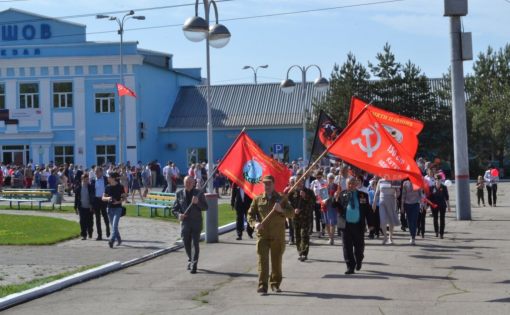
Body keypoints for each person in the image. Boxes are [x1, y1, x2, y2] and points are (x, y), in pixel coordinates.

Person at [248, 175, 293, 295]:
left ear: (273, 184)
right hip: (262, 235)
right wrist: (255, 223)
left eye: (269, 183)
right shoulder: (258, 199)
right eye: (265, 184)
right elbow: (250, 215)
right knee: (262, 261)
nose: (266, 186)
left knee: (276, 262)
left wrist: (281, 210)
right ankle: (262, 285)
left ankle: (275, 284)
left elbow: (292, 213)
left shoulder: (282, 199)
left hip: (277, 236)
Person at [334, 177, 372, 274]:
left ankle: (359, 260)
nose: (351, 185)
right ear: (346, 184)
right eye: (349, 183)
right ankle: (350, 266)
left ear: (356, 184)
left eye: (353, 183)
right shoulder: (342, 194)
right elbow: (336, 207)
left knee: (359, 247)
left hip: (358, 225)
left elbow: (368, 211)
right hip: (345, 225)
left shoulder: (363, 195)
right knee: (347, 247)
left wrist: (371, 224)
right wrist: (335, 199)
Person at [172, 176, 208, 274]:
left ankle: (194, 264)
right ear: (184, 183)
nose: (188, 184)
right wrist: (179, 215)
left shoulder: (198, 193)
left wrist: (198, 203)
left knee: (195, 244)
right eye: (186, 182)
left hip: (196, 222)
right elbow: (174, 209)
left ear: (194, 183)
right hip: (185, 223)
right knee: (186, 242)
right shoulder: (179, 194)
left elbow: (205, 207)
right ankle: (190, 259)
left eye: (190, 182)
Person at [287, 173, 315, 262]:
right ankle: (300, 251)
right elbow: (287, 204)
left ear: (303, 182)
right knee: (297, 235)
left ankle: (304, 253)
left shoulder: (309, 192)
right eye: (297, 181)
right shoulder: (291, 193)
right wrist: (293, 210)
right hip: (295, 218)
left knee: (304, 235)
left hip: (305, 218)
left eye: (301, 181)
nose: (299, 183)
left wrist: (305, 196)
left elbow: (313, 203)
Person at [102, 172, 126, 248]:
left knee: (114, 225)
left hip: (118, 208)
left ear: (113, 178)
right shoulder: (107, 187)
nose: (107, 178)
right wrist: (108, 198)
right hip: (109, 209)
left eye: (108, 177)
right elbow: (103, 198)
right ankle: (119, 239)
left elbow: (124, 198)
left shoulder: (120, 187)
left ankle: (111, 240)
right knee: (113, 226)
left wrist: (118, 202)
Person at [401, 179, 422, 245]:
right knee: (409, 221)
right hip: (407, 204)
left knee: (414, 220)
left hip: (416, 204)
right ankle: (411, 235)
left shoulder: (417, 182)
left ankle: (413, 237)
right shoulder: (405, 183)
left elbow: (420, 194)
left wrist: (421, 205)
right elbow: (403, 195)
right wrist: (402, 206)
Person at [428, 174, 451, 239]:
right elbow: (430, 198)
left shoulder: (444, 187)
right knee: (435, 219)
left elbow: (447, 197)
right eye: (436, 179)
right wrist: (429, 206)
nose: (438, 181)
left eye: (439, 179)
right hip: (434, 206)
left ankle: (441, 233)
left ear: (441, 180)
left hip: (442, 205)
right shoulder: (432, 188)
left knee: (442, 219)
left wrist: (448, 206)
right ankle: (436, 232)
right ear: (434, 180)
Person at [91, 167, 110, 240]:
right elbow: (92, 192)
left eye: (97, 172)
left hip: (104, 199)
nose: (96, 173)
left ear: (101, 172)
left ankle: (107, 228)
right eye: (95, 172)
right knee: (97, 218)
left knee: (105, 215)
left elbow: (109, 188)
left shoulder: (106, 179)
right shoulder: (93, 180)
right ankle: (99, 235)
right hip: (96, 200)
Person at [74, 173, 94, 240]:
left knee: (90, 222)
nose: (86, 181)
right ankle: (84, 235)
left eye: (87, 180)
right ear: (82, 179)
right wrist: (75, 207)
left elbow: (92, 197)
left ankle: (90, 232)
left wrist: (92, 205)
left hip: (89, 207)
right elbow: (76, 198)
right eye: (85, 180)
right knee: (82, 221)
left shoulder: (90, 187)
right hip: (81, 207)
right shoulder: (78, 188)